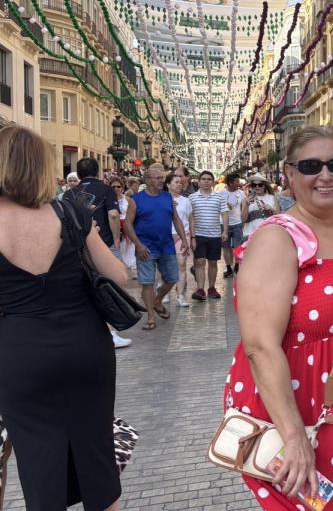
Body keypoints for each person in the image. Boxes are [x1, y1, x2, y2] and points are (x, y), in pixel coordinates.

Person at [224, 126, 333, 510]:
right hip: (305, 417)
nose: (325, 175)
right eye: (310, 166)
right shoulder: (277, 239)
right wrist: (293, 436)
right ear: (289, 174)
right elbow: (259, 346)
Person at [0, 125, 128, 511]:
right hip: (85, 346)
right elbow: (119, 276)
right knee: (98, 459)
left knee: (38, 463)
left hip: (20, 351)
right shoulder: (70, 212)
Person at [66, 157, 132, 348]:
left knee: (84, 287)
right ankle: (110, 331)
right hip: (104, 244)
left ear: (79, 174)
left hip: (78, 247)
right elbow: (113, 215)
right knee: (112, 285)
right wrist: (116, 239)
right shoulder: (106, 190)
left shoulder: (69, 194)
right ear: (98, 172)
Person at [123, 165, 190, 330]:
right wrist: (138, 245)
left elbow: (176, 219)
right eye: (158, 178)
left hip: (166, 245)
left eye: (162, 178)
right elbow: (128, 224)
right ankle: (151, 317)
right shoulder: (136, 199)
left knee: (172, 278)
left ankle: (157, 300)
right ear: (147, 180)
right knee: (147, 282)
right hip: (146, 247)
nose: (161, 181)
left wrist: (184, 238)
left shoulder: (167, 197)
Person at [188, 171, 229, 301]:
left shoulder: (219, 197)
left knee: (213, 262)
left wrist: (225, 231)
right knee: (200, 261)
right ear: (199, 181)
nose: (206, 181)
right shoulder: (192, 198)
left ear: (213, 182)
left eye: (209, 179)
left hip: (215, 235)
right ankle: (200, 289)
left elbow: (225, 213)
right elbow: (190, 217)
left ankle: (211, 288)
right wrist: (192, 236)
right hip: (199, 234)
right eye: (204, 179)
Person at [168, 174, 195, 308]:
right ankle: (164, 292)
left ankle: (180, 295)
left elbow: (190, 219)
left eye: (180, 182)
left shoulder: (186, 201)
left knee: (182, 265)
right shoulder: (162, 199)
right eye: (176, 182)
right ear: (168, 184)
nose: (179, 184)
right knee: (164, 265)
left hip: (183, 236)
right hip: (166, 236)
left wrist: (192, 237)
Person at [241, 173, 279, 242]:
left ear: (264, 186)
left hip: (268, 233)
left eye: (260, 185)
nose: (257, 187)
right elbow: (243, 219)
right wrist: (246, 205)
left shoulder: (272, 198)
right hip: (251, 235)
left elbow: (279, 217)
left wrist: (271, 209)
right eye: (254, 185)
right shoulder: (246, 199)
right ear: (252, 187)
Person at [221, 173, 246, 278]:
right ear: (230, 183)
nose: (239, 183)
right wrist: (224, 206)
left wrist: (243, 222)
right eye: (237, 181)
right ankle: (228, 268)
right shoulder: (221, 194)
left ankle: (236, 265)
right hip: (224, 224)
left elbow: (244, 207)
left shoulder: (241, 193)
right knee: (226, 247)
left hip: (237, 223)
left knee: (237, 246)